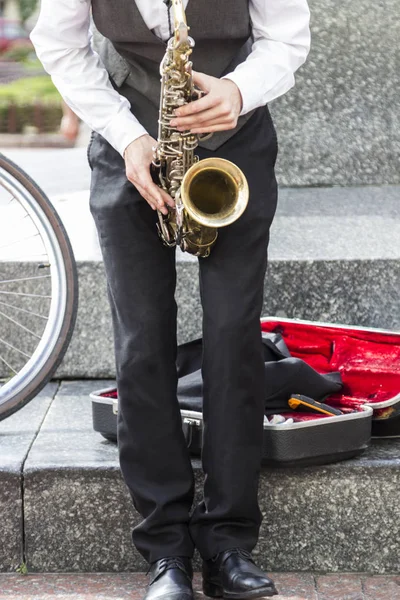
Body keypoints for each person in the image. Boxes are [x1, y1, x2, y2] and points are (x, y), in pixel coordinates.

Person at [30, 1, 311, 599]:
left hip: (234, 139)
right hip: (125, 136)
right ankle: (166, 550)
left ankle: (229, 541)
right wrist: (128, 136)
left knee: (234, 334)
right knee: (141, 342)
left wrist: (238, 90)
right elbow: (57, 43)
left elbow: (288, 38)